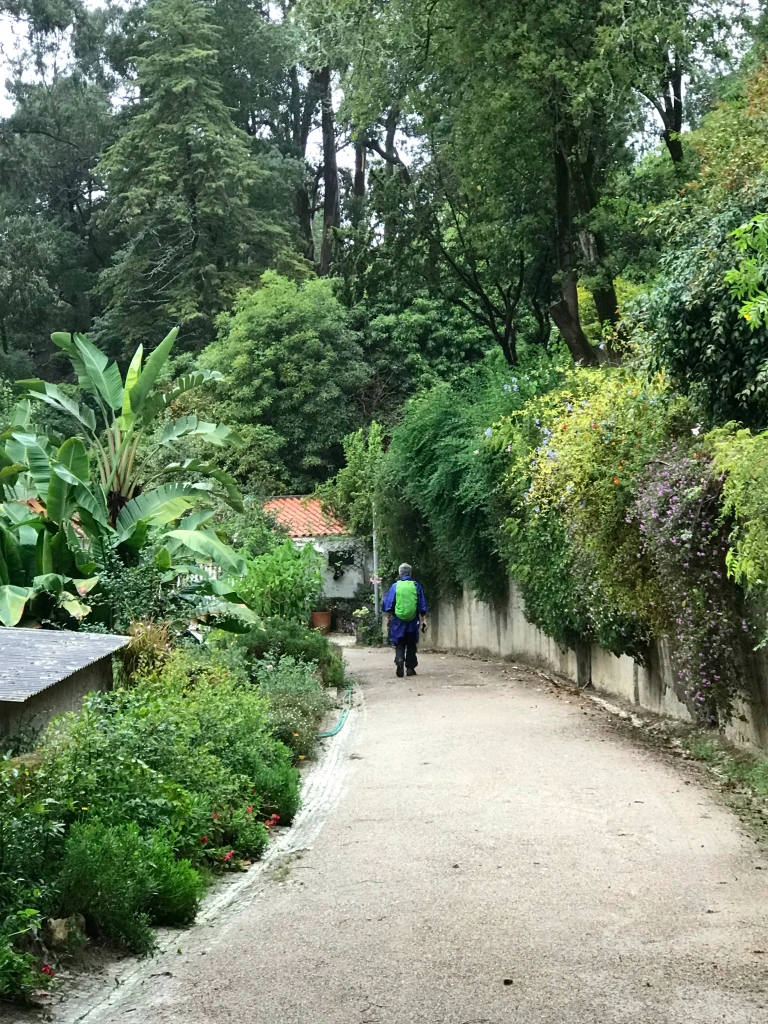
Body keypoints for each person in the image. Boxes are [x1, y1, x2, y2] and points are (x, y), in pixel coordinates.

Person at [382, 563, 429, 678]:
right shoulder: (416, 586)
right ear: (410, 573)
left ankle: (399, 660)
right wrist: (424, 620)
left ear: (400, 573)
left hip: (398, 621)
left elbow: (388, 604)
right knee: (411, 644)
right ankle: (410, 668)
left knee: (399, 643)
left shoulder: (395, 586)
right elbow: (422, 605)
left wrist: (388, 619)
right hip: (413, 621)